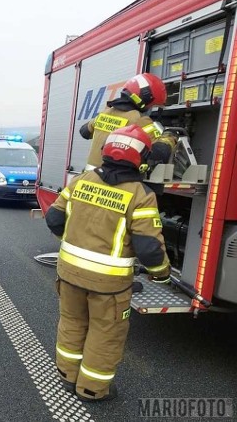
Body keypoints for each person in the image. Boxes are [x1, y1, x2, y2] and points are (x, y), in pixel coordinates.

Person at [45, 124, 170, 401]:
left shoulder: (80, 181)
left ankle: (67, 375)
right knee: (105, 333)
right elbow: (150, 250)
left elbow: (54, 219)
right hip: (109, 286)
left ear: (106, 150)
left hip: (68, 273)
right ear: (141, 159)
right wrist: (162, 275)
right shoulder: (140, 195)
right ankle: (92, 389)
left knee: (72, 322)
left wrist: (75, 242)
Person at [80, 72, 176, 171]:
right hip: (116, 181)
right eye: (152, 105)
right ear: (145, 98)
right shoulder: (140, 120)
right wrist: (169, 136)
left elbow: (84, 132)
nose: (151, 109)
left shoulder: (104, 114)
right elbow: (159, 153)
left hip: (90, 177)